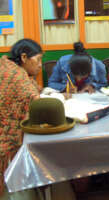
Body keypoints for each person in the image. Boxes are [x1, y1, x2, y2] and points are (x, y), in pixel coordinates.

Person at [0, 39, 42, 199]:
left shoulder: (6, 65)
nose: (39, 65)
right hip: (6, 144)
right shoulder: (16, 77)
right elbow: (34, 101)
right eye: (38, 59)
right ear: (24, 58)